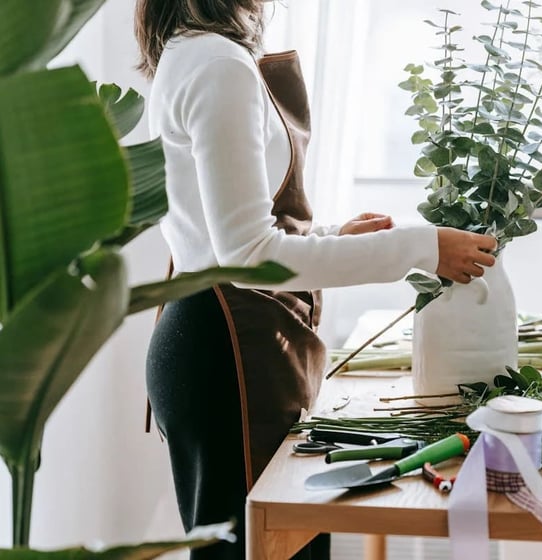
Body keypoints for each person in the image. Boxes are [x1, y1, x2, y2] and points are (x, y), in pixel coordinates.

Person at [134, 1, 497, 558]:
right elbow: (249, 255)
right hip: (225, 349)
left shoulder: (190, 51)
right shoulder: (217, 63)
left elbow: (227, 234)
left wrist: (335, 234)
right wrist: (421, 249)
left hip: (213, 337)